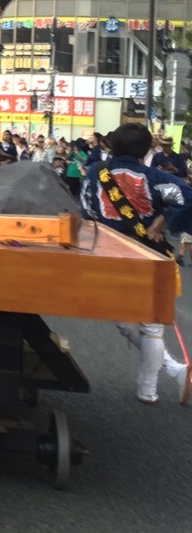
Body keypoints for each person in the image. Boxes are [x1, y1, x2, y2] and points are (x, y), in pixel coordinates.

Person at [80, 121, 192, 404]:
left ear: (112, 145)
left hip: (108, 255)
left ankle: (172, 373)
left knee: (122, 319)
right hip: (148, 254)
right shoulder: (155, 177)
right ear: (146, 149)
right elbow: (187, 197)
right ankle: (151, 389)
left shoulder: (95, 173)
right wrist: (163, 220)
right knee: (151, 325)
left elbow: (87, 212)